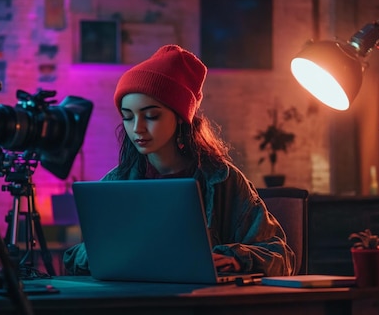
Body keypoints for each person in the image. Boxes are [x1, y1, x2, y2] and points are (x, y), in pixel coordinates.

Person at [63, 44, 296, 277]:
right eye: (127, 117)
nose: (137, 128)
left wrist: (234, 258)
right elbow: (75, 258)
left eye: (151, 116)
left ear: (180, 117)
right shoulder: (115, 183)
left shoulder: (223, 180)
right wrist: (110, 252)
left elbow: (281, 256)